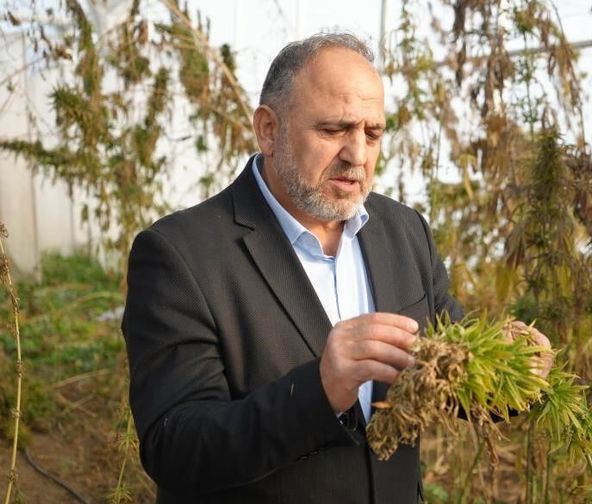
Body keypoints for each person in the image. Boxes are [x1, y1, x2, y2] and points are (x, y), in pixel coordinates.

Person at [122, 32, 549, 504]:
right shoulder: (181, 254)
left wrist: (513, 371)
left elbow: (451, 373)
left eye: (373, 133)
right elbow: (175, 446)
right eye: (333, 130)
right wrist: (319, 390)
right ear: (269, 129)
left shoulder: (404, 231)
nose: (357, 155)